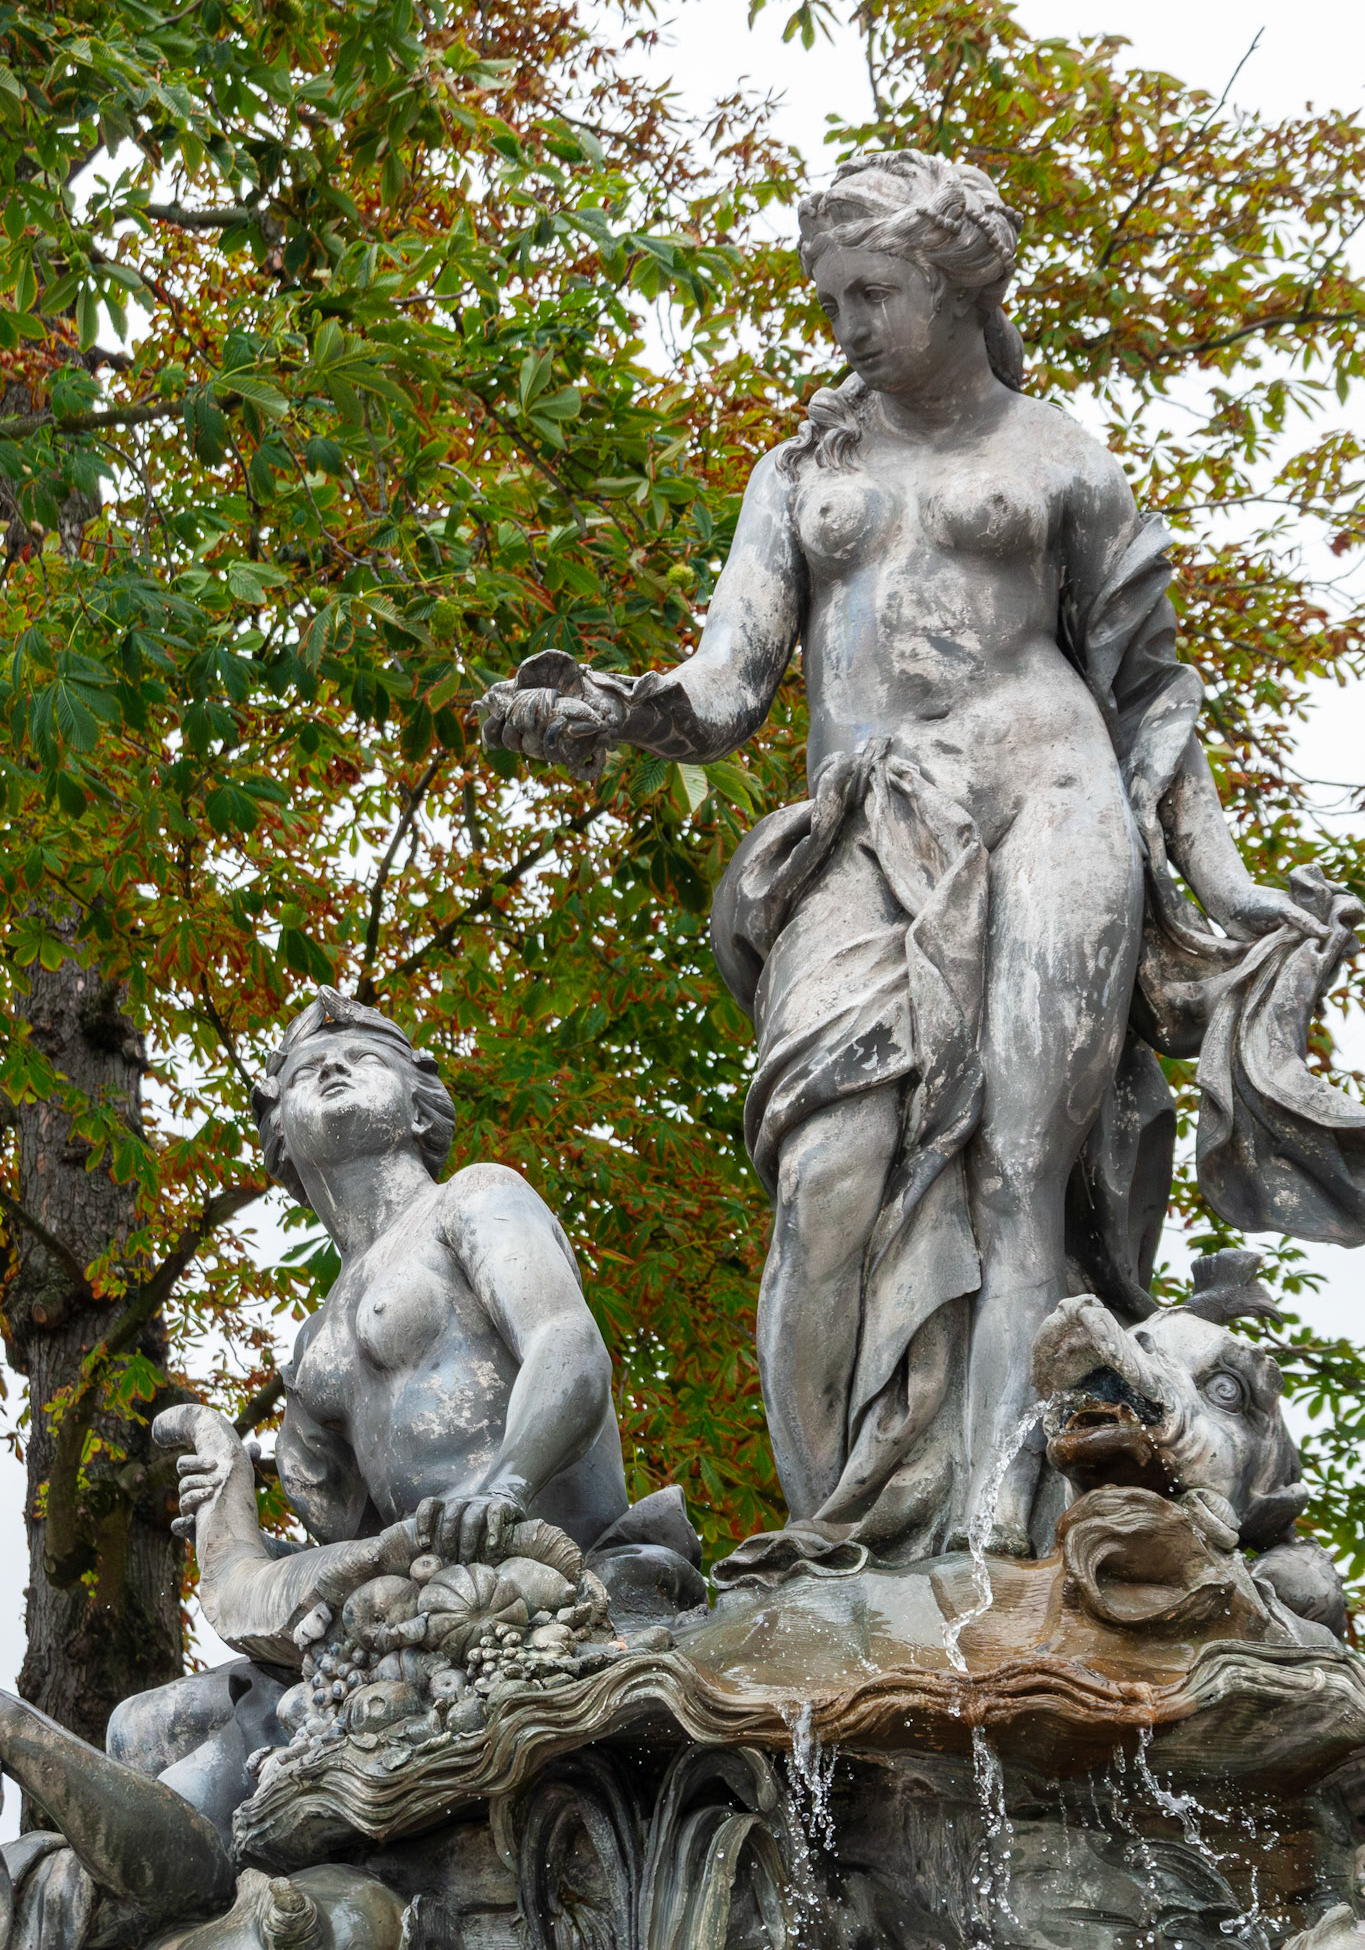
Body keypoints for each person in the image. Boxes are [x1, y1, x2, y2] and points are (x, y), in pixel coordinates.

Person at [480, 148, 1365, 1559]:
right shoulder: (799, 473)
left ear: (955, 285)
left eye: (874, 292)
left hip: (1050, 793)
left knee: (1022, 1176)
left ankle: (996, 1544)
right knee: (825, 1166)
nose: (845, 326)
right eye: (831, 297)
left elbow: (1149, 692)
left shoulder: (1057, 452)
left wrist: (1227, 880)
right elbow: (724, 691)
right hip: (868, 824)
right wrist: (613, 712)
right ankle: (833, 1525)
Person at [0, 989, 697, 1946]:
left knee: (179, 1820)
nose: (328, 1065)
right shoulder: (316, 1346)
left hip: (537, 1569)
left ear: (418, 1106)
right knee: (139, 1727)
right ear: (279, 1137)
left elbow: (569, 1353)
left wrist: (506, 1484)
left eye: (366, 1056)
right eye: (295, 1073)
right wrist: (234, 1515)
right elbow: (351, 1558)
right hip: (406, 1618)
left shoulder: (475, 1199)